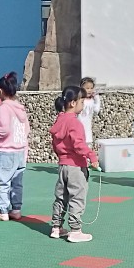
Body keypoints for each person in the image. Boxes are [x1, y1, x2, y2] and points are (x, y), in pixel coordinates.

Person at [49, 85, 99, 243]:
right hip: (76, 167)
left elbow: (55, 143)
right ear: (72, 103)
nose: (83, 105)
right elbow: (78, 145)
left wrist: (61, 156)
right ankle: (75, 230)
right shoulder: (75, 123)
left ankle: (56, 227)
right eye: (81, 102)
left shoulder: (60, 120)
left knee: (61, 197)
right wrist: (92, 156)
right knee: (77, 197)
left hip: (63, 166)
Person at [0, 72, 29, 221]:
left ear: (1, 91)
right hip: (20, 151)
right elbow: (26, 130)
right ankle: (16, 210)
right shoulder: (20, 108)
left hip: (7, 151)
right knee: (17, 183)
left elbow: (4, 130)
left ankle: (3, 211)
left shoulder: (4, 108)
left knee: (3, 182)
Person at [79, 76, 101, 146]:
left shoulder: (91, 100)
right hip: (79, 129)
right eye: (87, 88)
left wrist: (97, 98)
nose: (89, 90)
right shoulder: (79, 100)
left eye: (91, 88)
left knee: (88, 146)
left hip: (88, 130)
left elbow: (96, 110)